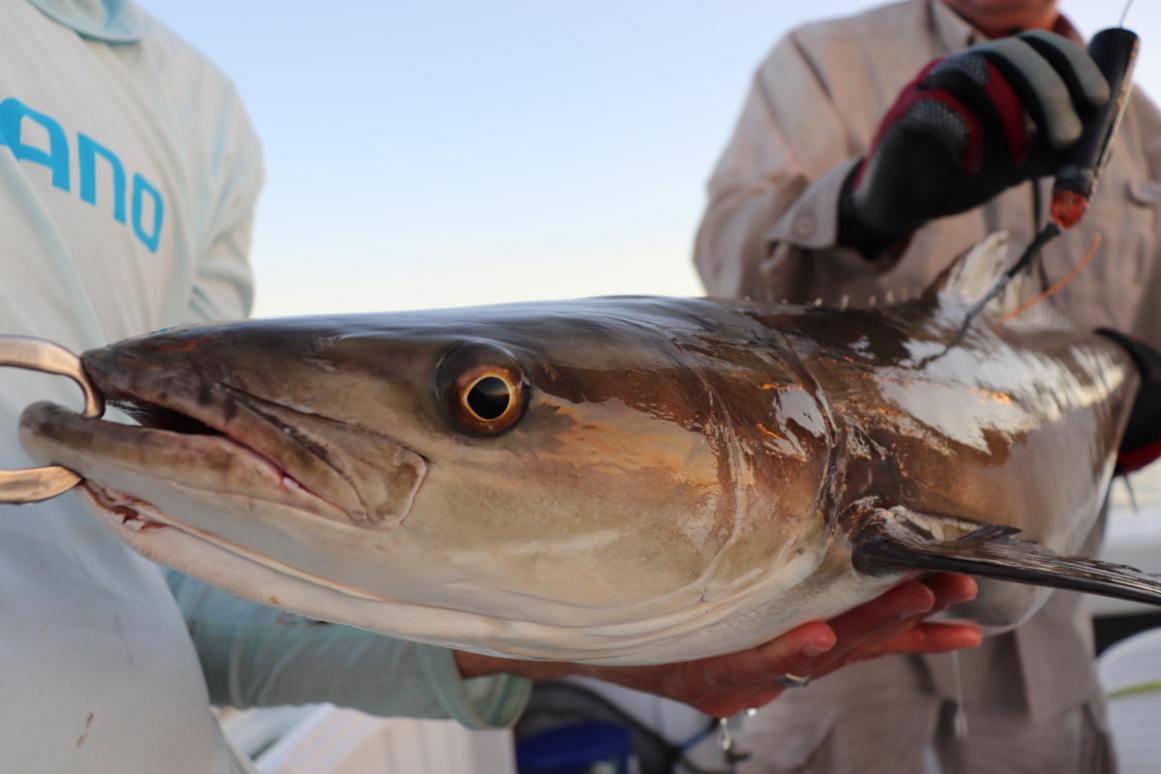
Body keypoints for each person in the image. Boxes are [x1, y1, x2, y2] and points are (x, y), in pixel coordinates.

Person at [0, 2, 984, 771]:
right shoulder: (817, 59)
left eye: (488, 401)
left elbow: (173, 582)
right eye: (487, 401)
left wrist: (603, 641)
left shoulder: (196, 105)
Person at [694, 0, 1161, 771]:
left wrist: (1139, 412)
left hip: (1045, 612)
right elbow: (725, 277)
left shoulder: (1143, 128)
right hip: (824, 611)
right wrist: (860, 205)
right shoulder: (821, 60)